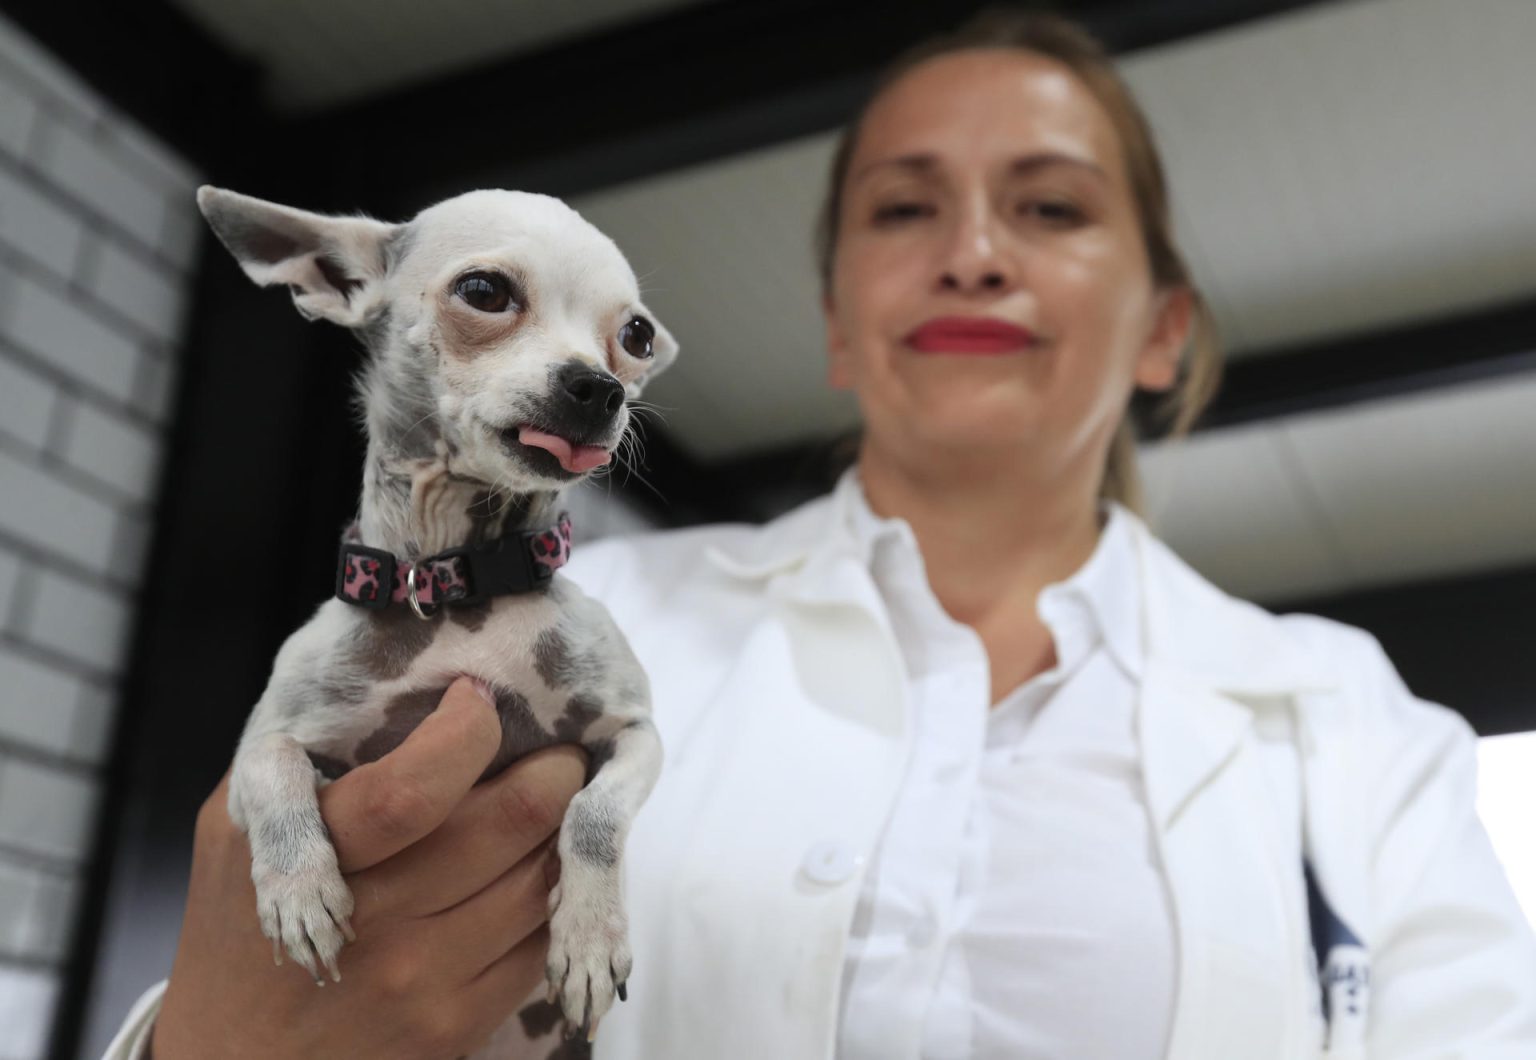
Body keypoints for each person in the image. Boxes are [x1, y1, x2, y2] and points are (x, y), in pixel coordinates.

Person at [106, 11, 1536, 1059]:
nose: (972, 248)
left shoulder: (1363, 733)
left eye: (1049, 205)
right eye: (907, 206)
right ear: (840, 327)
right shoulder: (581, 625)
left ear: (1163, 330)